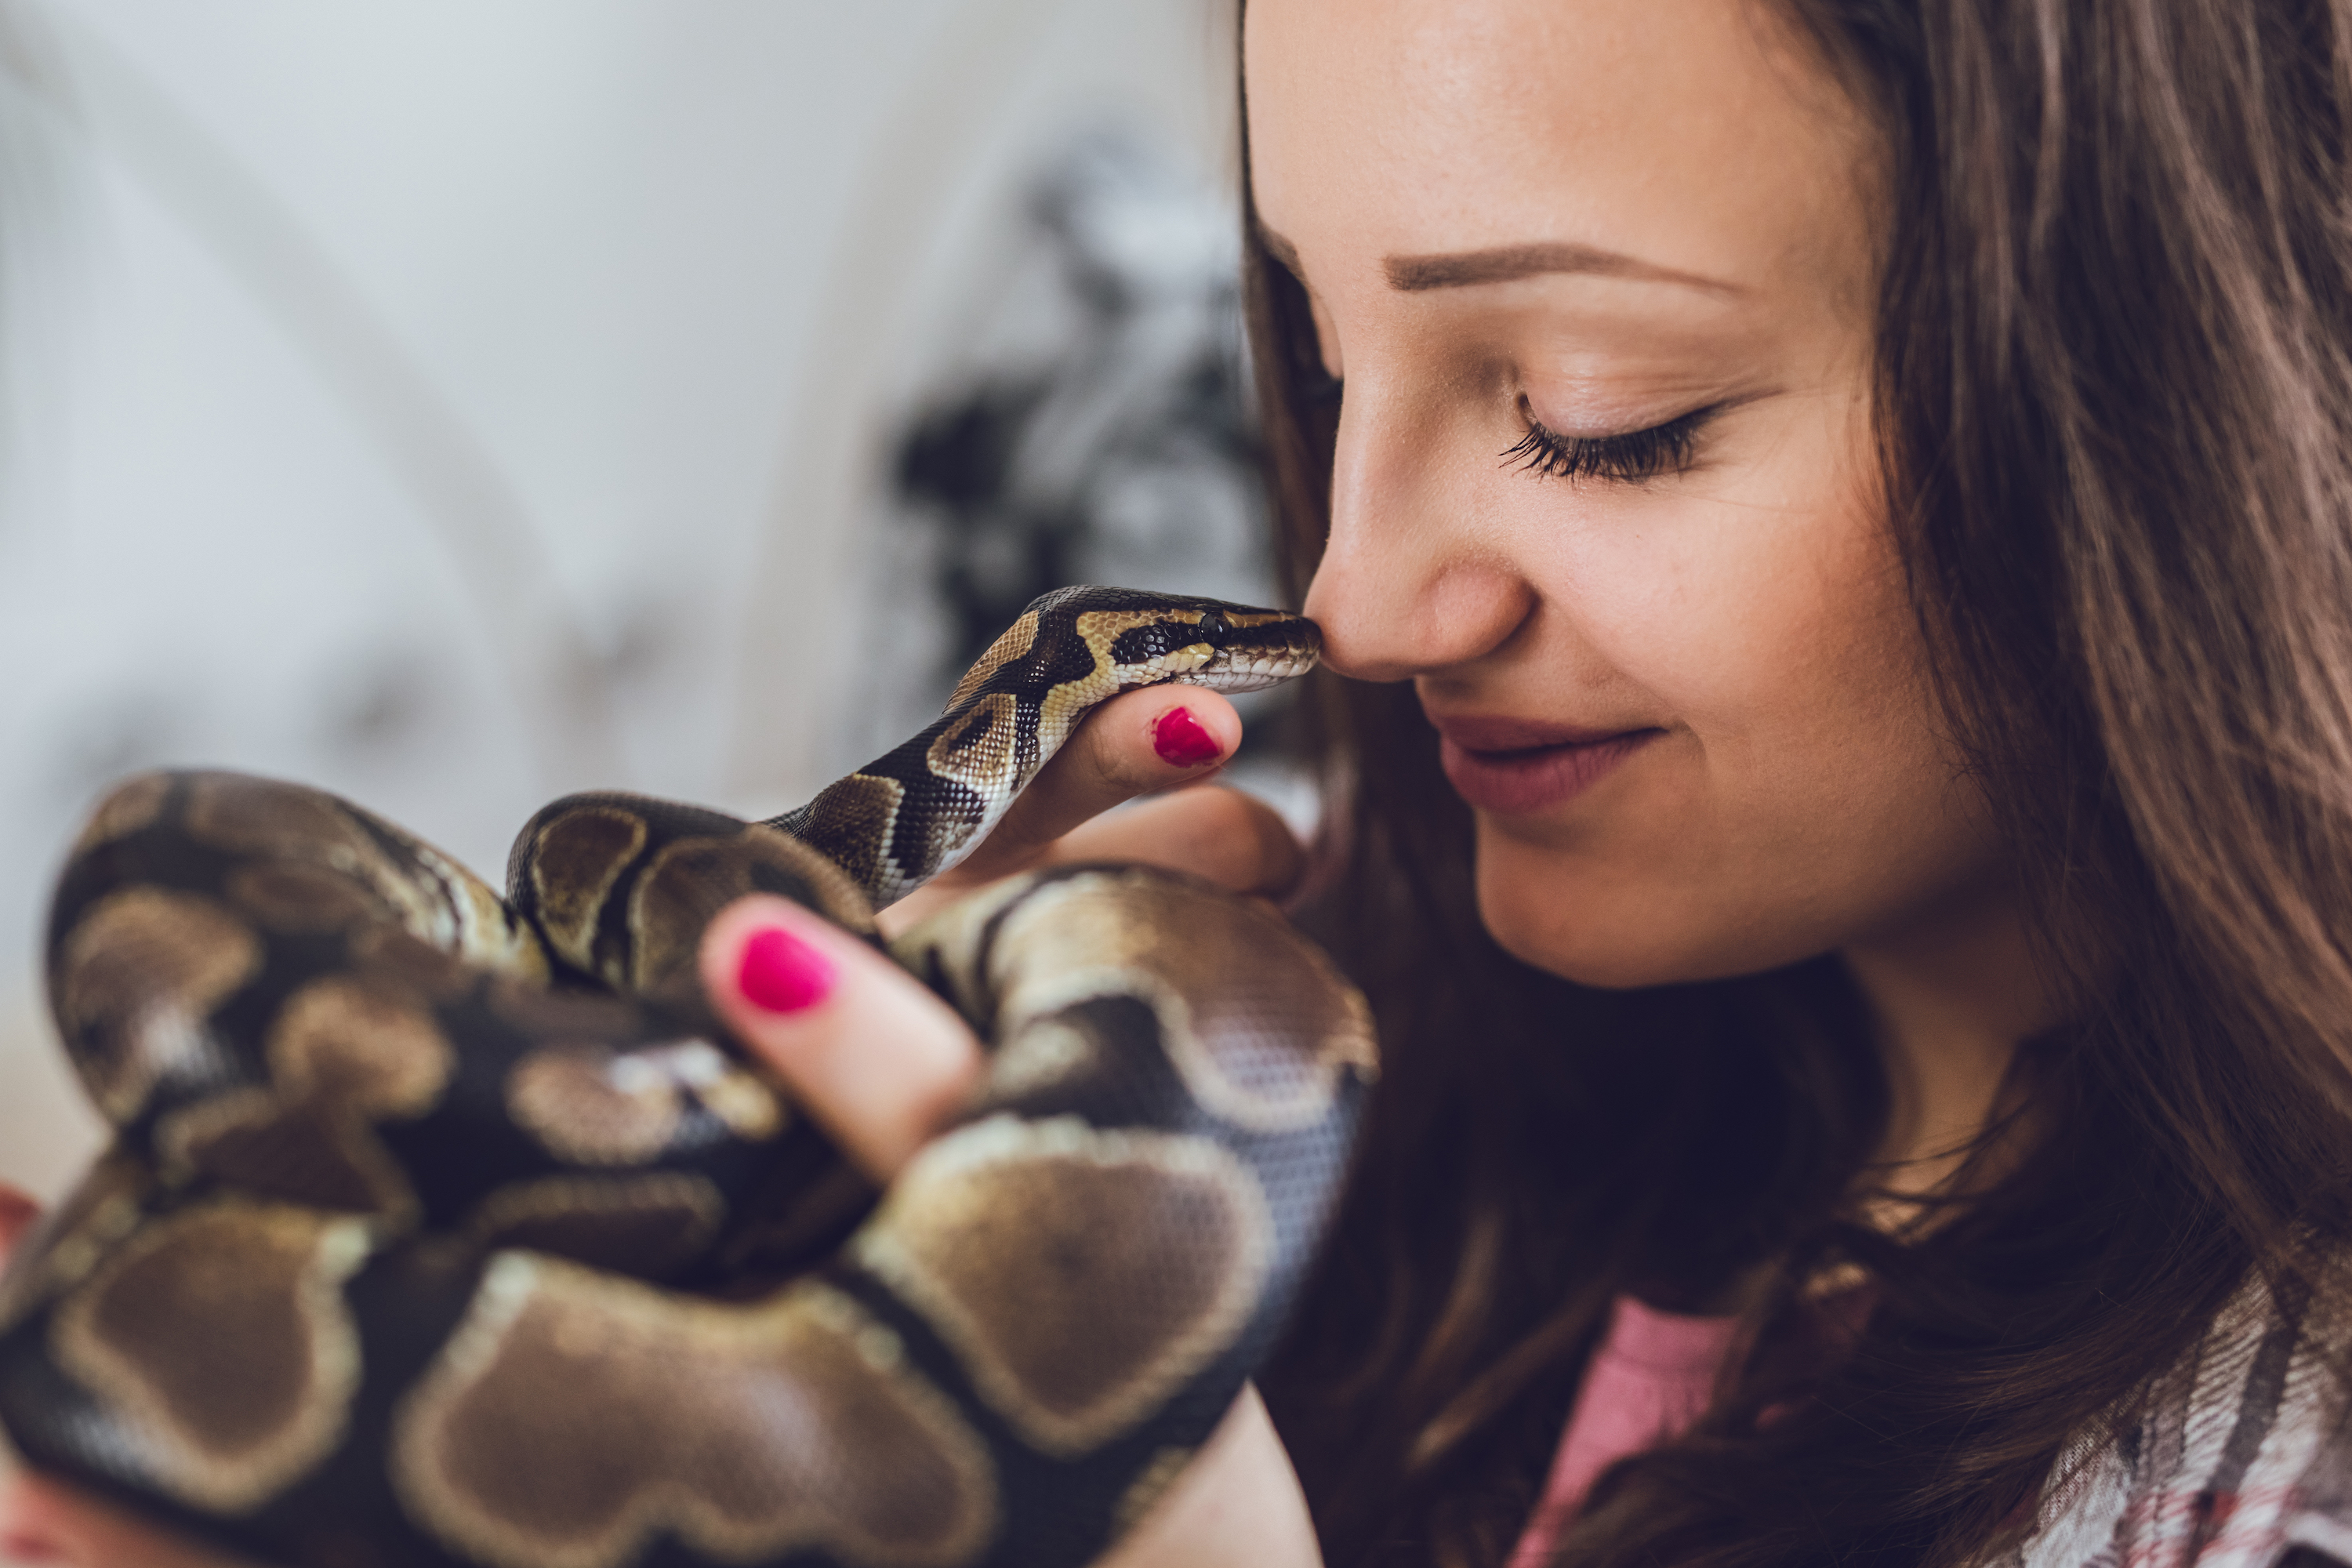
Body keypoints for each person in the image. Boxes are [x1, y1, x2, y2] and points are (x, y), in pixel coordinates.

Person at [12, 0, 2352, 1562]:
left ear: (2185, 390)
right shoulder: (1447, 1082)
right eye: (1325, 363)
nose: (1354, 589)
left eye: (1601, 402)